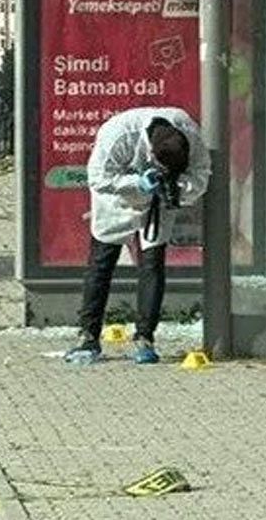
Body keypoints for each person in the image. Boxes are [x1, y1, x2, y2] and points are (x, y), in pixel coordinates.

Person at [64, 107, 210, 366]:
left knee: (152, 263)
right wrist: (136, 184)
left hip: (159, 204)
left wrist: (176, 186)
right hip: (116, 199)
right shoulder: (118, 134)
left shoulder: (191, 135)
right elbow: (98, 178)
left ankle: (145, 337)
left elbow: (200, 177)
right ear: (151, 153)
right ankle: (88, 336)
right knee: (102, 261)